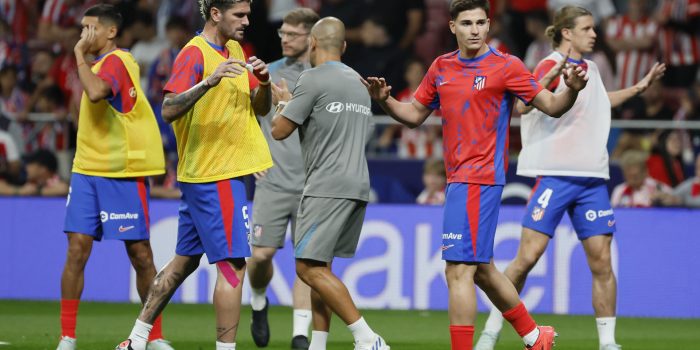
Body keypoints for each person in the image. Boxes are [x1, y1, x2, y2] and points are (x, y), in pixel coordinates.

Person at [364, 1, 589, 349]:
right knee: (481, 269)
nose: (475, 29)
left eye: (481, 22)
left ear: (488, 25)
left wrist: (571, 88)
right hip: (459, 179)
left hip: (479, 178)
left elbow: (553, 106)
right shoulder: (441, 66)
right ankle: (534, 335)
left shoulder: (506, 66)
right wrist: (384, 101)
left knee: (458, 271)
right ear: (452, 27)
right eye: (467, 23)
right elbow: (413, 115)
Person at [475, 6, 666, 350]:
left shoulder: (590, 67)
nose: (595, 34)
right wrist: (551, 79)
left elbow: (599, 102)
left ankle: (608, 343)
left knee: (602, 261)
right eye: (588, 29)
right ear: (567, 33)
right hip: (555, 176)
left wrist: (638, 88)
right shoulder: (549, 65)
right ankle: (490, 332)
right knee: (526, 259)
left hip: (592, 178)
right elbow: (524, 105)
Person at [115, 0, 273, 349]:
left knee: (184, 262)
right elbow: (168, 109)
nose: (247, 21)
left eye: (248, 14)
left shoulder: (235, 49)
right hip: (216, 175)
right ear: (215, 13)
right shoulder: (194, 54)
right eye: (240, 15)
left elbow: (259, 108)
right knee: (233, 266)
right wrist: (208, 82)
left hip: (210, 174)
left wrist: (262, 83)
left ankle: (136, 339)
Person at [270, 16, 390, 350]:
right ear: (345, 45)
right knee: (322, 267)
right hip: (357, 185)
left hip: (326, 185)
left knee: (307, 268)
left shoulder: (312, 78)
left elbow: (280, 131)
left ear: (312, 43)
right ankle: (319, 344)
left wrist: (282, 102)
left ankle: (367, 338)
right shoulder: (358, 82)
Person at [58, 4, 170, 350]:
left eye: (90, 28)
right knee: (77, 250)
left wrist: (77, 54)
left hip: (122, 172)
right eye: (81, 29)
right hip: (86, 171)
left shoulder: (120, 61)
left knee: (140, 255)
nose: (83, 35)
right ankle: (67, 336)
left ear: (110, 32)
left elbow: (96, 92)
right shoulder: (97, 64)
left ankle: (154, 337)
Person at [246, 7, 319, 350]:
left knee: (305, 264)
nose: (285, 39)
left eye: (292, 35)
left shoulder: (324, 77)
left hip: (312, 186)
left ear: (311, 38)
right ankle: (259, 300)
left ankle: (300, 334)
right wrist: (248, 158)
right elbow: (242, 120)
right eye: (282, 34)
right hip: (273, 181)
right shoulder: (268, 74)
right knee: (259, 257)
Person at [611, 150, 678, 207]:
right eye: (629, 174)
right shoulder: (619, 191)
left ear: (645, 171)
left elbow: (677, 199)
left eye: (637, 175)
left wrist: (667, 199)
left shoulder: (657, 187)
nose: (633, 174)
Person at [0, 149, 68, 196]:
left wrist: (37, 192)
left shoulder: (56, 182)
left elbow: (63, 189)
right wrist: (20, 191)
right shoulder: (29, 181)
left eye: (31, 163)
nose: (27, 167)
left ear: (43, 169)